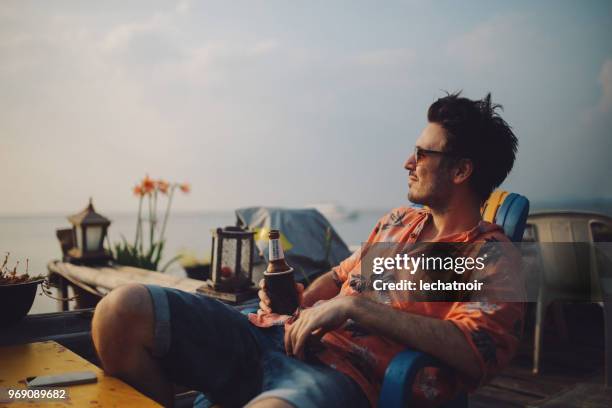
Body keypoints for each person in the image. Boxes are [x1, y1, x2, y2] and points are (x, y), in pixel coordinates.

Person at [92, 92, 524, 408]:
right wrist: (303, 298)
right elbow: (340, 277)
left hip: (345, 376)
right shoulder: (399, 223)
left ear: (462, 170)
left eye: (421, 153)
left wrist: (358, 308)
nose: (407, 162)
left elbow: (475, 348)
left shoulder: (487, 256)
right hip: (275, 334)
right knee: (120, 312)